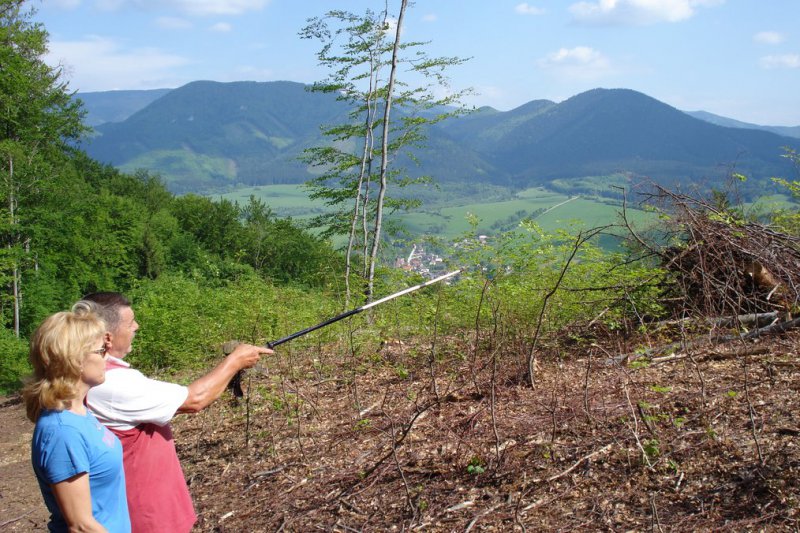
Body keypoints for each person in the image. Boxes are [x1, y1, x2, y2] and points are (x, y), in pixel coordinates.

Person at [79, 292, 271, 533]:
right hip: (146, 518)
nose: (137, 327)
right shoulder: (111, 383)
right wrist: (236, 361)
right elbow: (195, 399)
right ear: (107, 337)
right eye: (130, 323)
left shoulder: (86, 375)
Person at [23, 303, 131, 533]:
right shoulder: (63, 431)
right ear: (75, 360)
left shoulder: (79, 412)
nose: (107, 357)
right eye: (101, 351)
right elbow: (82, 526)